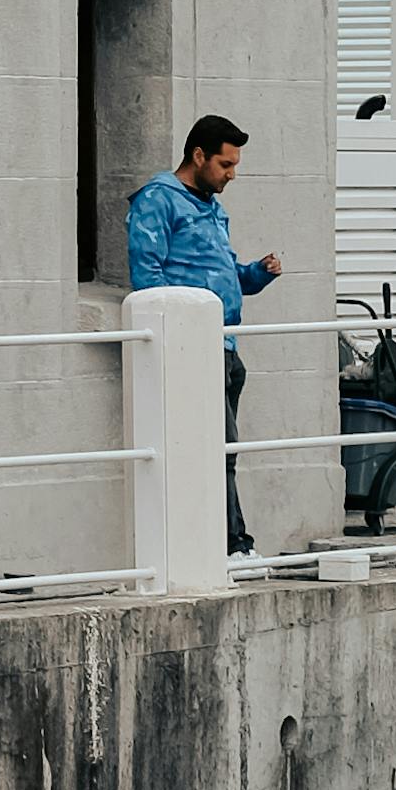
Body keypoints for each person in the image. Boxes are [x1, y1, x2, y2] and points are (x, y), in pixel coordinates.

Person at [127, 114, 279, 556]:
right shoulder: (158, 200)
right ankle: (233, 545)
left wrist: (257, 275)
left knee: (223, 447)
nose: (231, 175)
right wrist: (175, 332)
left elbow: (226, 274)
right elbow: (147, 276)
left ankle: (220, 543)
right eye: (226, 165)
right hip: (191, 346)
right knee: (218, 448)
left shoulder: (214, 208)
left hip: (225, 344)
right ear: (198, 156)